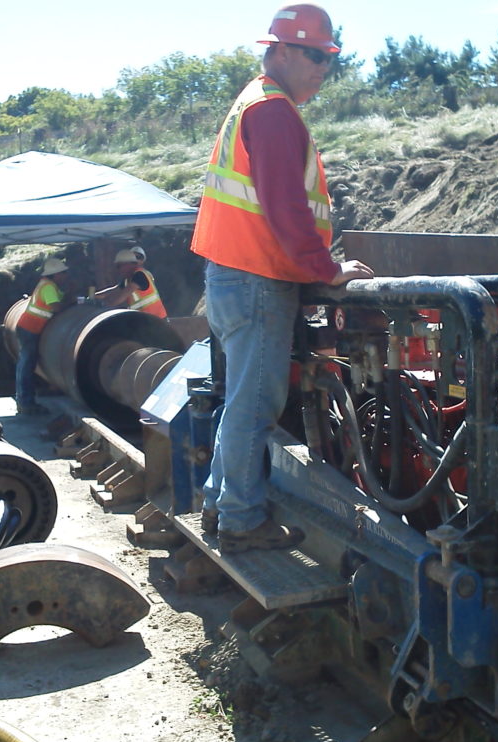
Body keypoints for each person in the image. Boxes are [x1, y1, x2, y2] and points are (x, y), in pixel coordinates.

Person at [190, 3, 375, 554]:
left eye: (329, 59)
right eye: (316, 56)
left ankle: (220, 503)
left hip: (232, 275)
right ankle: (243, 519)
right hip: (257, 278)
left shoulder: (258, 103)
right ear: (284, 50)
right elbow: (285, 209)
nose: (324, 68)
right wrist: (328, 270)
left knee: (241, 397)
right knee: (255, 403)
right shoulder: (272, 112)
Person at [15, 257, 74, 415]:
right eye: (63, 273)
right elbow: (55, 307)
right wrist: (71, 304)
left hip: (30, 329)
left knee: (28, 364)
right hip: (29, 329)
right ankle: (25, 401)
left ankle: (25, 399)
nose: (65, 275)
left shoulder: (48, 285)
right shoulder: (48, 286)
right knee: (26, 365)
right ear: (55, 275)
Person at [94, 246, 168, 318]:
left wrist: (104, 305)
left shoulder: (139, 275)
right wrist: (94, 296)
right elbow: (113, 290)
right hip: (145, 321)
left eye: (119, 266)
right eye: (117, 266)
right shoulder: (128, 279)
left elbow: (119, 298)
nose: (118, 270)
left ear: (129, 264)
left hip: (157, 321)